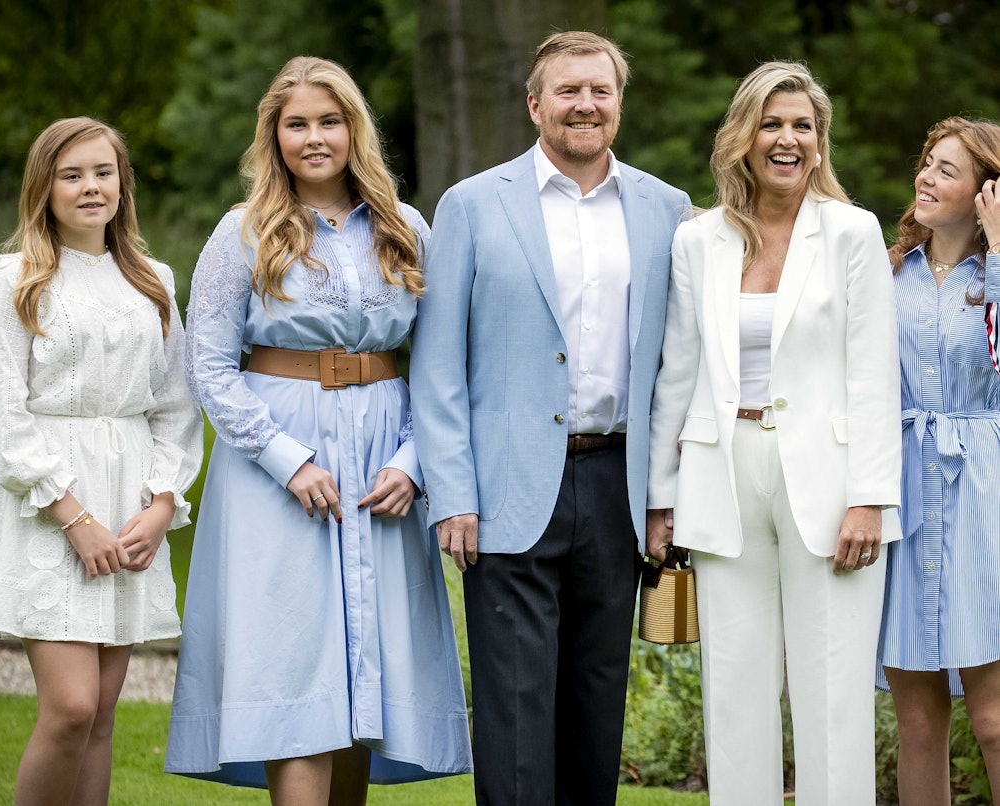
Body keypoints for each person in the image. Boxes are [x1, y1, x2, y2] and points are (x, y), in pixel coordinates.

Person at [163, 56, 472, 803]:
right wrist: (287, 459)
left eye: (328, 121)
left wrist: (413, 462)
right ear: (273, 136)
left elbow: (442, 362)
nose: (313, 137)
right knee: (294, 660)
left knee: (365, 669)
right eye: (295, 123)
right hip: (280, 469)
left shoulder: (408, 229)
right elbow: (207, 364)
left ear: (353, 129)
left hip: (381, 467)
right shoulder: (241, 233)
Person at [410, 31, 691, 805]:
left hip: (617, 485)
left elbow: (679, 367)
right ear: (534, 104)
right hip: (505, 488)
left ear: (619, 104)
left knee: (596, 706)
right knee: (513, 705)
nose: (585, 105)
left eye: (599, 90)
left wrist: (665, 496)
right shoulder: (471, 205)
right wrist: (454, 492)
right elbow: (437, 368)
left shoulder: (667, 211)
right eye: (567, 90)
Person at [645, 62, 902, 804]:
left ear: (819, 144)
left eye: (801, 126)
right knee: (732, 688)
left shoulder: (851, 233)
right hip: (721, 474)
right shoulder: (698, 239)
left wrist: (869, 499)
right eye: (770, 123)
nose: (785, 139)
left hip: (830, 485)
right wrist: (662, 497)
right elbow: (677, 374)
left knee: (833, 692)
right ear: (743, 138)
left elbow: (872, 374)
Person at [0, 116, 204, 806]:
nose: (90, 186)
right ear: (45, 188)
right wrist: (72, 515)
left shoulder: (153, 280)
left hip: (131, 499)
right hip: (51, 504)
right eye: (71, 175)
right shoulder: (14, 279)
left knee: (101, 715)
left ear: (123, 184)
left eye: (103, 172)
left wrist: (161, 504)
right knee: (69, 708)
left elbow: (175, 406)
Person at [877, 116, 1000, 803]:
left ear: (987, 192)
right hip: (901, 489)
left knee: (993, 719)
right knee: (918, 721)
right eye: (925, 162)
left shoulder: (995, 271)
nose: (924, 176)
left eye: (946, 169)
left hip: (985, 492)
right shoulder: (886, 271)